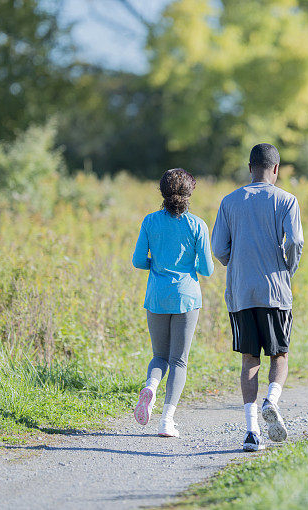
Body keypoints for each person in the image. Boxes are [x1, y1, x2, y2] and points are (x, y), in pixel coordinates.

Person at [211, 143, 304, 452]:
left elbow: (219, 248)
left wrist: (235, 263)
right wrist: (286, 268)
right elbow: (295, 241)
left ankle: (252, 433)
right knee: (280, 355)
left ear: (249, 167)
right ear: (275, 169)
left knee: (249, 359)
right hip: (275, 291)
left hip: (240, 292)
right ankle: (272, 400)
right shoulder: (287, 200)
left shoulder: (229, 201)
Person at [131, 168, 214, 437]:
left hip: (156, 296)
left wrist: (156, 263)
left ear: (162, 193)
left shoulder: (150, 221)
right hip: (187, 298)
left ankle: (151, 387)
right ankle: (167, 420)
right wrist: (190, 263)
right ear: (189, 194)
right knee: (179, 361)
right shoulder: (197, 224)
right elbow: (207, 270)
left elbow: (138, 261)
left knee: (159, 356)